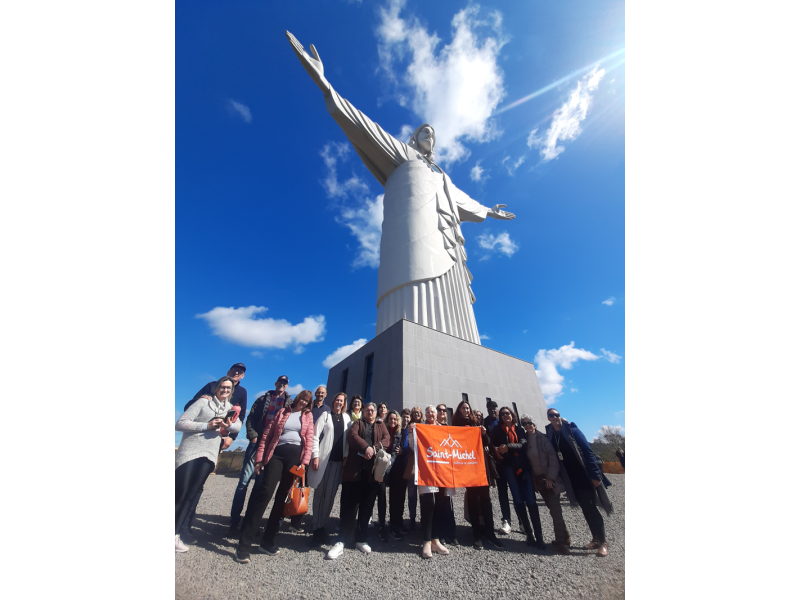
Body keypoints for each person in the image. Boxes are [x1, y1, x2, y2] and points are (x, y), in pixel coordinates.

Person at [287, 32, 515, 345]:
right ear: (413, 139)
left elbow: (466, 202)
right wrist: (326, 85)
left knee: (457, 309)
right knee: (409, 303)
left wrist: (489, 211)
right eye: (425, 132)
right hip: (412, 243)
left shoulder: (443, 176)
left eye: (433, 134)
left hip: (447, 248)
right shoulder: (406, 155)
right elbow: (365, 127)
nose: (430, 137)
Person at [234, 390, 316, 564]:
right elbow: (266, 436)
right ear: (297, 398)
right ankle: (244, 545)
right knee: (264, 493)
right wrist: (259, 459)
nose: (303, 403)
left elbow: (309, 440)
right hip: (276, 455)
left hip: (295, 459)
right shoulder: (283, 412)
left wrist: (305, 463)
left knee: (282, 500)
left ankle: (267, 541)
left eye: (307, 402)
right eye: (302, 399)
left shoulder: (308, 417)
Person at [180, 363, 248, 542]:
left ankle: (186, 525)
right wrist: (202, 400)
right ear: (228, 372)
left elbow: (240, 418)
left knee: (198, 483)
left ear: (242, 377)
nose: (236, 373)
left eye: (240, 372)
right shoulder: (211, 385)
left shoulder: (242, 393)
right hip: (195, 440)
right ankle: (179, 525)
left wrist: (232, 437)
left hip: (215, 440)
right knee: (184, 484)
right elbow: (189, 404)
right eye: (234, 370)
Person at [227, 375, 291, 536]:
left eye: (285, 383)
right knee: (244, 482)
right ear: (275, 383)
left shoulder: (289, 402)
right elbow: (251, 418)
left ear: (287, 385)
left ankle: (249, 524)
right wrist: (253, 435)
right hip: (257, 443)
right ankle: (234, 522)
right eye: (280, 382)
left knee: (259, 486)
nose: (282, 385)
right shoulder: (263, 399)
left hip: (272, 448)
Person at [546, 408, 613, 557]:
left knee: (591, 507)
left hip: (584, 475)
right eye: (551, 415)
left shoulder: (572, 431)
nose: (555, 417)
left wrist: (595, 475)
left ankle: (603, 542)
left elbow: (587, 452)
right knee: (584, 507)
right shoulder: (551, 434)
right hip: (570, 478)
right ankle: (595, 539)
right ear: (548, 418)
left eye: (556, 415)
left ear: (559, 416)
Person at [327, 402, 391, 559]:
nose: (370, 412)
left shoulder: (380, 425)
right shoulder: (358, 423)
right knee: (349, 507)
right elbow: (351, 436)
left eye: (372, 410)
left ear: (376, 413)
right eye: (368, 410)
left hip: (371, 474)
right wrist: (365, 448)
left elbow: (387, 438)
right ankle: (341, 541)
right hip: (354, 472)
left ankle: (361, 539)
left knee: (367, 507)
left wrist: (374, 449)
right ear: (363, 412)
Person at [451, 400, 503, 550]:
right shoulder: (455, 426)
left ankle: (490, 532)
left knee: (486, 499)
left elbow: (487, 443)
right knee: (473, 499)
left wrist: (484, 434)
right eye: (463, 408)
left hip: (481, 466)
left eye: (467, 408)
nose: (466, 410)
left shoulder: (477, 424)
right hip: (468, 467)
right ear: (459, 410)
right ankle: (476, 534)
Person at [491, 407, 544, 549]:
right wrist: (496, 450)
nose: (505, 416)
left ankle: (539, 536)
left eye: (507, 413)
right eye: (502, 414)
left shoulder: (519, 429)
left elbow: (522, 444)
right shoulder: (497, 429)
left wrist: (508, 447)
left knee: (530, 499)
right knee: (517, 499)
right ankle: (529, 534)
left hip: (522, 467)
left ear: (512, 415)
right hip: (508, 467)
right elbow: (492, 444)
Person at [521, 414, 571, 555]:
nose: (527, 426)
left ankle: (561, 543)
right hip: (539, 481)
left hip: (549, 480)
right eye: (524, 424)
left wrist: (550, 478)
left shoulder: (543, 439)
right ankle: (565, 537)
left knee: (556, 511)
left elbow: (553, 459)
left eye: (529, 423)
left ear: (534, 424)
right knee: (552, 509)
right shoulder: (525, 440)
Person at [407, 405, 452, 559]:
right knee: (427, 504)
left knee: (439, 505)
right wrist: (411, 432)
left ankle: (435, 539)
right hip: (425, 471)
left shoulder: (444, 429)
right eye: (428, 412)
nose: (431, 414)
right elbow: (413, 447)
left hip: (441, 471)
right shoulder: (421, 428)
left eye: (433, 411)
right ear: (425, 415)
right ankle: (426, 541)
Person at [308, 392, 351, 545]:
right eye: (337, 400)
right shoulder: (325, 415)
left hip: (338, 462)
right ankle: (316, 527)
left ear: (344, 403)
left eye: (342, 401)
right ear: (333, 402)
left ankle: (323, 525)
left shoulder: (347, 418)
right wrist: (315, 455)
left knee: (330, 495)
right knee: (319, 493)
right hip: (324, 459)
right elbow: (314, 435)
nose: (339, 402)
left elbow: (349, 440)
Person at [483, 400, 511, 534]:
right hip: (497, 461)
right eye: (490, 408)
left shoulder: (503, 421)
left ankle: (523, 523)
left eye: (495, 408)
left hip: (511, 460)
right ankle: (506, 520)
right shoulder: (485, 422)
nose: (493, 410)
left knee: (517, 493)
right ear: (487, 409)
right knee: (502, 492)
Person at [384, 410, 404, 540]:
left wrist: (400, 452)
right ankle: (382, 524)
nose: (393, 421)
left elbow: (398, 450)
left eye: (395, 419)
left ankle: (395, 524)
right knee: (381, 497)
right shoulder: (384, 432)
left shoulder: (400, 434)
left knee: (396, 498)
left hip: (395, 469)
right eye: (391, 419)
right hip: (383, 467)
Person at [405, 406, 424, 531]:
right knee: (411, 494)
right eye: (414, 413)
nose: (416, 414)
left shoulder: (424, 426)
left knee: (424, 494)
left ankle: (424, 519)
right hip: (413, 463)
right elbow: (408, 444)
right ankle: (412, 518)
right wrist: (410, 432)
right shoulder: (409, 427)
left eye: (418, 412)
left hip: (423, 465)